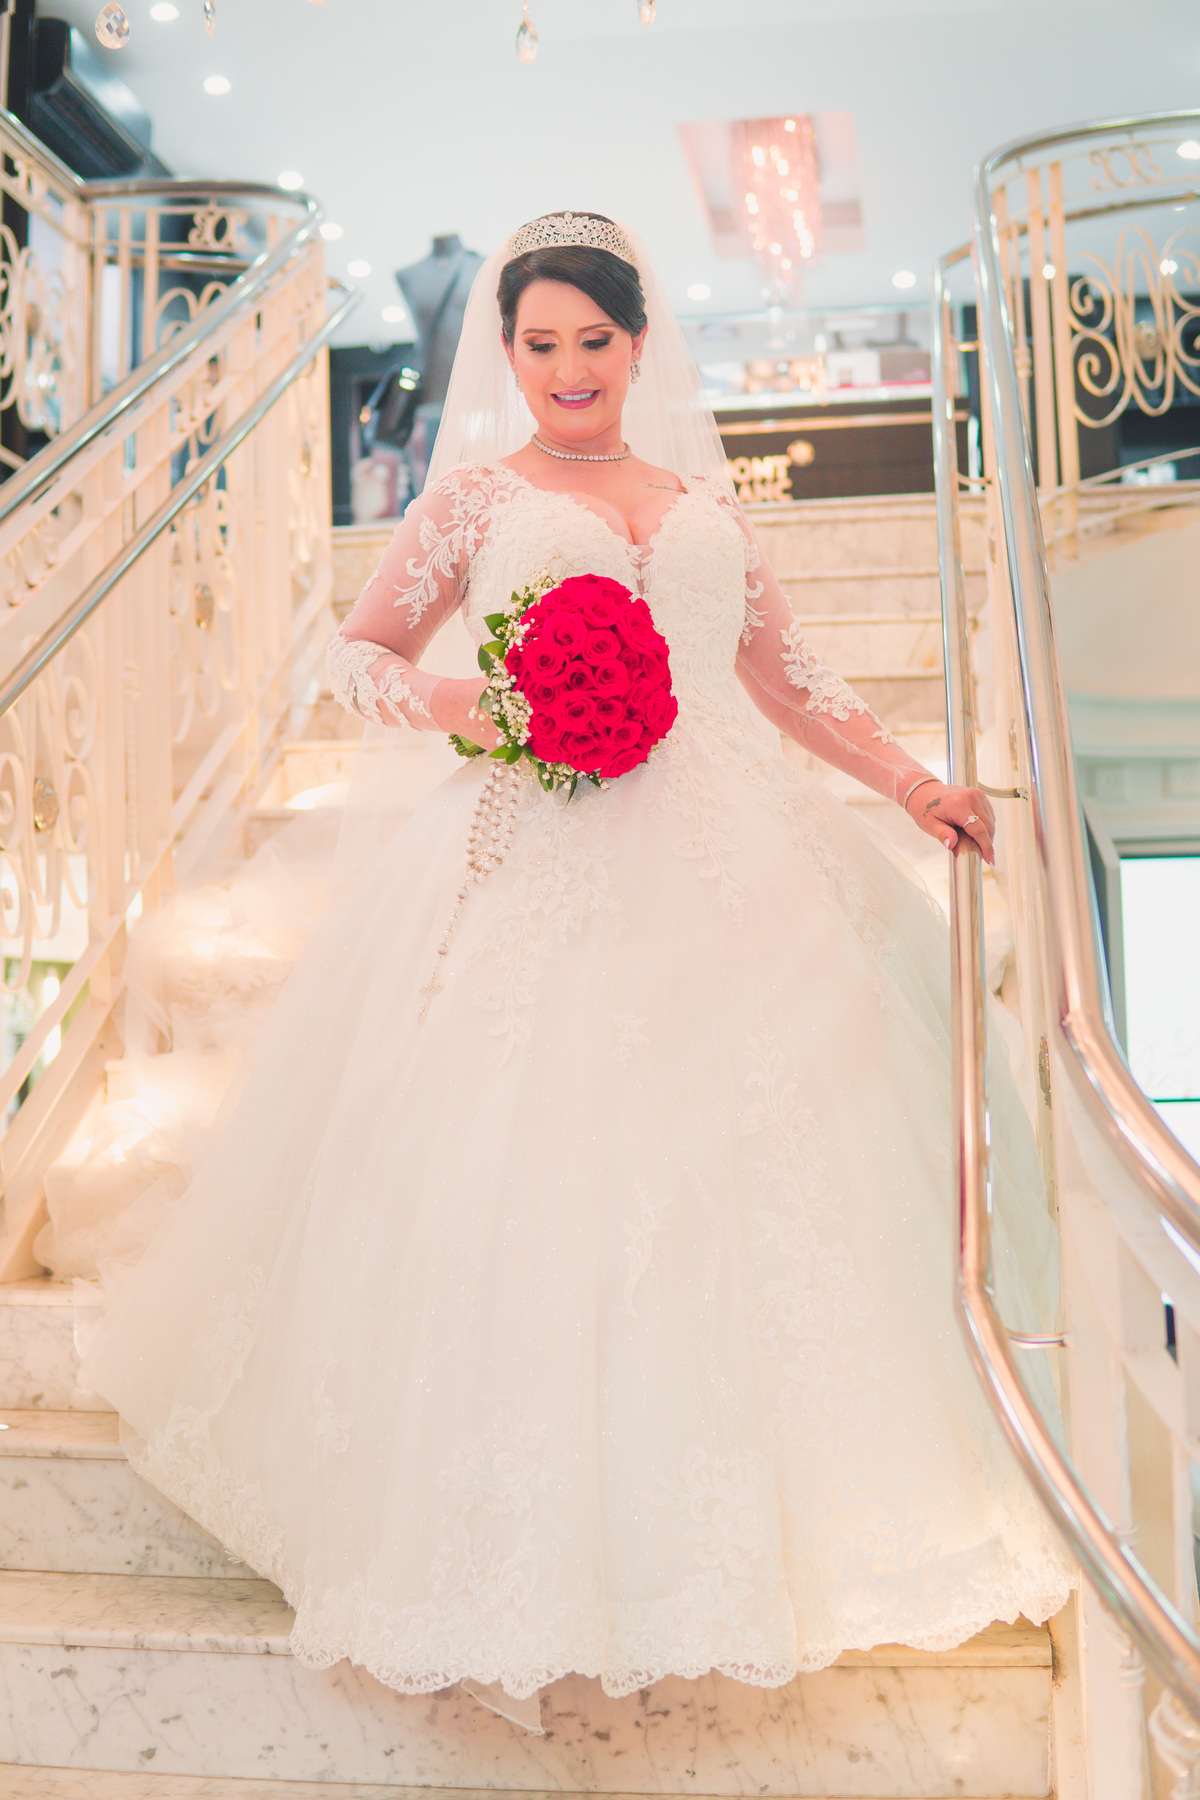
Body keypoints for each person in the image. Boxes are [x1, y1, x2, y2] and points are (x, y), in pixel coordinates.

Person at [79, 210, 1073, 1732]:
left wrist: (912, 782)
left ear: (638, 344)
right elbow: (355, 656)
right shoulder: (475, 499)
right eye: (540, 344)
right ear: (508, 352)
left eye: (593, 342)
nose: (568, 369)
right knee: (533, 1174)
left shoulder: (704, 505)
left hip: (735, 862)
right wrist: (486, 707)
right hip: (540, 847)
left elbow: (788, 683)